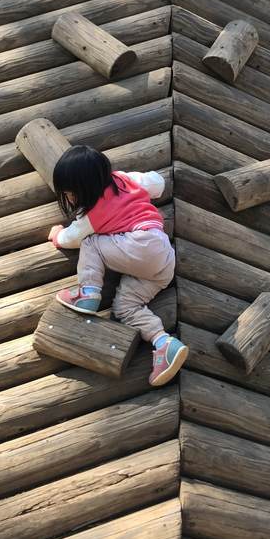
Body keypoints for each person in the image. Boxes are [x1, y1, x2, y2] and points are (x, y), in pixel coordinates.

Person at [48, 145, 189, 387]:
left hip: (141, 244)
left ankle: (88, 293)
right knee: (125, 307)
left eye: (71, 193)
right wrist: (146, 180)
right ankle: (163, 343)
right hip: (163, 260)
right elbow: (157, 184)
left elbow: (72, 238)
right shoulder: (126, 179)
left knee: (91, 242)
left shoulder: (91, 215)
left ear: (84, 189)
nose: (70, 198)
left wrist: (56, 235)